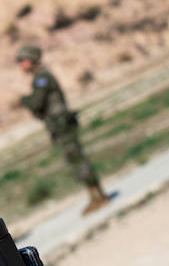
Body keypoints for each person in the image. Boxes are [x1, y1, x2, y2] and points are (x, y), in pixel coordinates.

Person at [15, 45, 111, 215]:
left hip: (61, 125)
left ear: (30, 60)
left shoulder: (41, 78)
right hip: (59, 124)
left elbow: (37, 103)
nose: (20, 65)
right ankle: (95, 195)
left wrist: (24, 100)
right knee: (75, 159)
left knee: (77, 159)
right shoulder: (41, 77)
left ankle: (98, 196)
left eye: (22, 61)